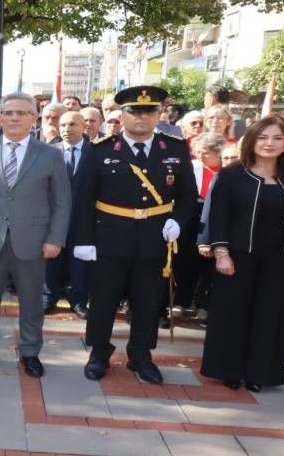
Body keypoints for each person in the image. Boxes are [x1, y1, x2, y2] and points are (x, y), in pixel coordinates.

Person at [74, 86, 198, 384]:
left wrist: (178, 222)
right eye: (134, 111)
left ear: (159, 115)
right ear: (122, 114)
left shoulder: (175, 148)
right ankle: (99, 352)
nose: (142, 117)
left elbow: (187, 196)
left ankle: (140, 355)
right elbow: (83, 198)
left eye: (150, 111)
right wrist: (84, 240)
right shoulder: (100, 149)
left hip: (155, 238)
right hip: (110, 238)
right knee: (103, 300)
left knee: (149, 300)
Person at [0, 92, 72, 377]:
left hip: (33, 241)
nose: (14, 118)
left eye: (21, 113)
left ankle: (31, 352)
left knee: (32, 301)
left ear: (34, 118)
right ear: (0, 117)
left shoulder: (50, 155)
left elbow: (62, 201)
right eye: (8, 113)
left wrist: (56, 238)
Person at [201, 116, 284, 392]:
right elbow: (219, 217)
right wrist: (221, 253)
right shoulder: (232, 175)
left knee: (271, 315)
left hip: (281, 257)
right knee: (233, 313)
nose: (270, 143)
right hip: (239, 255)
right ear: (251, 141)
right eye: (263, 137)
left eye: (277, 138)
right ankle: (229, 369)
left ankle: (259, 372)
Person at [173, 132, 228, 318]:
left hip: (219, 217)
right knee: (187, 260)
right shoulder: (192, 166)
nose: (200, 156)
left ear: (217, 152)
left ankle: (203, 303)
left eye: (205, 152)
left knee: (210, 265)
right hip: (193, 217)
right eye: (198, 151)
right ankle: (182, 300)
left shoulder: (228, 168)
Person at [43, 111, 91, 318]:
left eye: (72, 124)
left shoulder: (95, 152)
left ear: (83, 127)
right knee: (50, 260)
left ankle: (79, 301)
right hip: (53, 217)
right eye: (62, 125)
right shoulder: (48, 152)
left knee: (80, 262)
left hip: (84, 218)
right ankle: (48, 298)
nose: (66, 129)